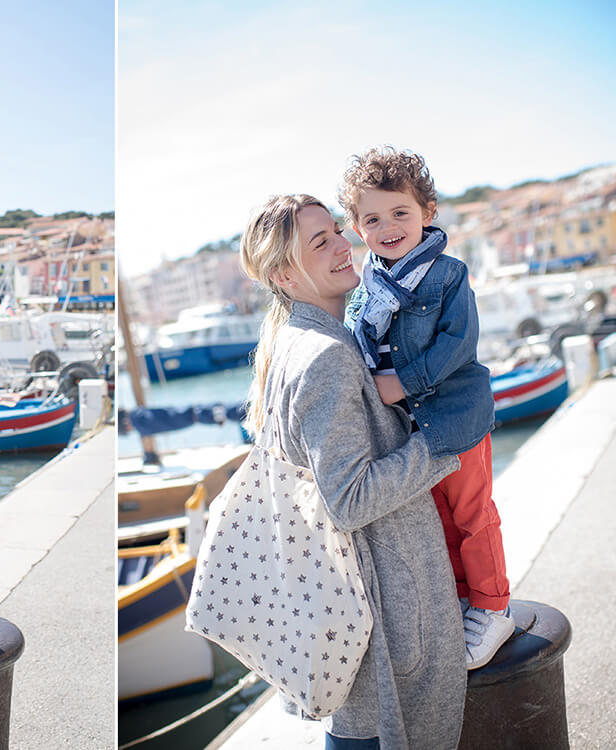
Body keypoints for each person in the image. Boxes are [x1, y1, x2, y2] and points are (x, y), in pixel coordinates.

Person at [239, 194, 466, 749]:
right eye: (321, 242)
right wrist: (442, 441)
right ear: (285, 275)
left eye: (337, 231)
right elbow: (349, 498)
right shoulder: (326, 356)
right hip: (390, 622)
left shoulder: (294, 343)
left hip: (358, 614)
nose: (345, 245)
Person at [340, 146, 512, 669]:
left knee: (472, 514)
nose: (389, 227)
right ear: (356, 227)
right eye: (373, 218)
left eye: (400, 213)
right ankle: (463, 600)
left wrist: (399, 384)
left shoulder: (447, 275)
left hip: (456, 417)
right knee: (438, 517)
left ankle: (493, 606)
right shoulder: (366, 289)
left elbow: (458, 344)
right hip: (411, 431)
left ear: (427, 213)